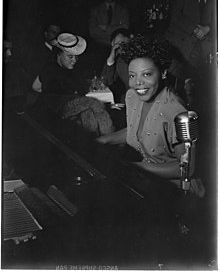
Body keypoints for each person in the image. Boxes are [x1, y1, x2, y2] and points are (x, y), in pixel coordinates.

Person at [96, 35, 205, 197]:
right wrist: (103, 140)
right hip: (147, 181)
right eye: (133, 75)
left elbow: (188, 167)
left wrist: (136, 167)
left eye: (146, 74)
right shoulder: (132, 97)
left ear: (163, 73)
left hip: (179, 191)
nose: (137, 83)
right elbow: (139, 130)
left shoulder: (179, 112)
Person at [33, 33, 114, 137]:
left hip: (60, 106)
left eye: (76, 57)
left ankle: (98, 139)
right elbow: (78, 90)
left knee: (88, 112)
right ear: (58, 54)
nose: (74, 60)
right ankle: (107, 137)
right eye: (70, 56)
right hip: (55, 109)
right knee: (94, 104)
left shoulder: (49, 68)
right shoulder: (54, 70)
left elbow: (35, 87)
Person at [165, 0, 215, 77]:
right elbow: (175, 17)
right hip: (184, 45)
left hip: (208, 46)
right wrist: (195, 30)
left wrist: (208, 29)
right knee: (182, 78)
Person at [88, 0, 130, 75]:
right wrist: (117, 29)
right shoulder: (95, 10)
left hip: (118, 49)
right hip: (99, 48)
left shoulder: (123, 10)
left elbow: (125, 28)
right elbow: (92, 32)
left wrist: (105, 27)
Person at [101, 28, 132, 104]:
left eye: (124, 43)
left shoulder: (139, 58)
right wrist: (111, 59)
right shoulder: (119, 62)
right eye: (117, 44)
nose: (121, 47)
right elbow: (106, 81)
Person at [32, 23, 61, 92]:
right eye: (53, 33)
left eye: (58, 34)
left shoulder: (59, 51)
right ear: (46, 34)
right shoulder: (37, 51)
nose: (56, 36)